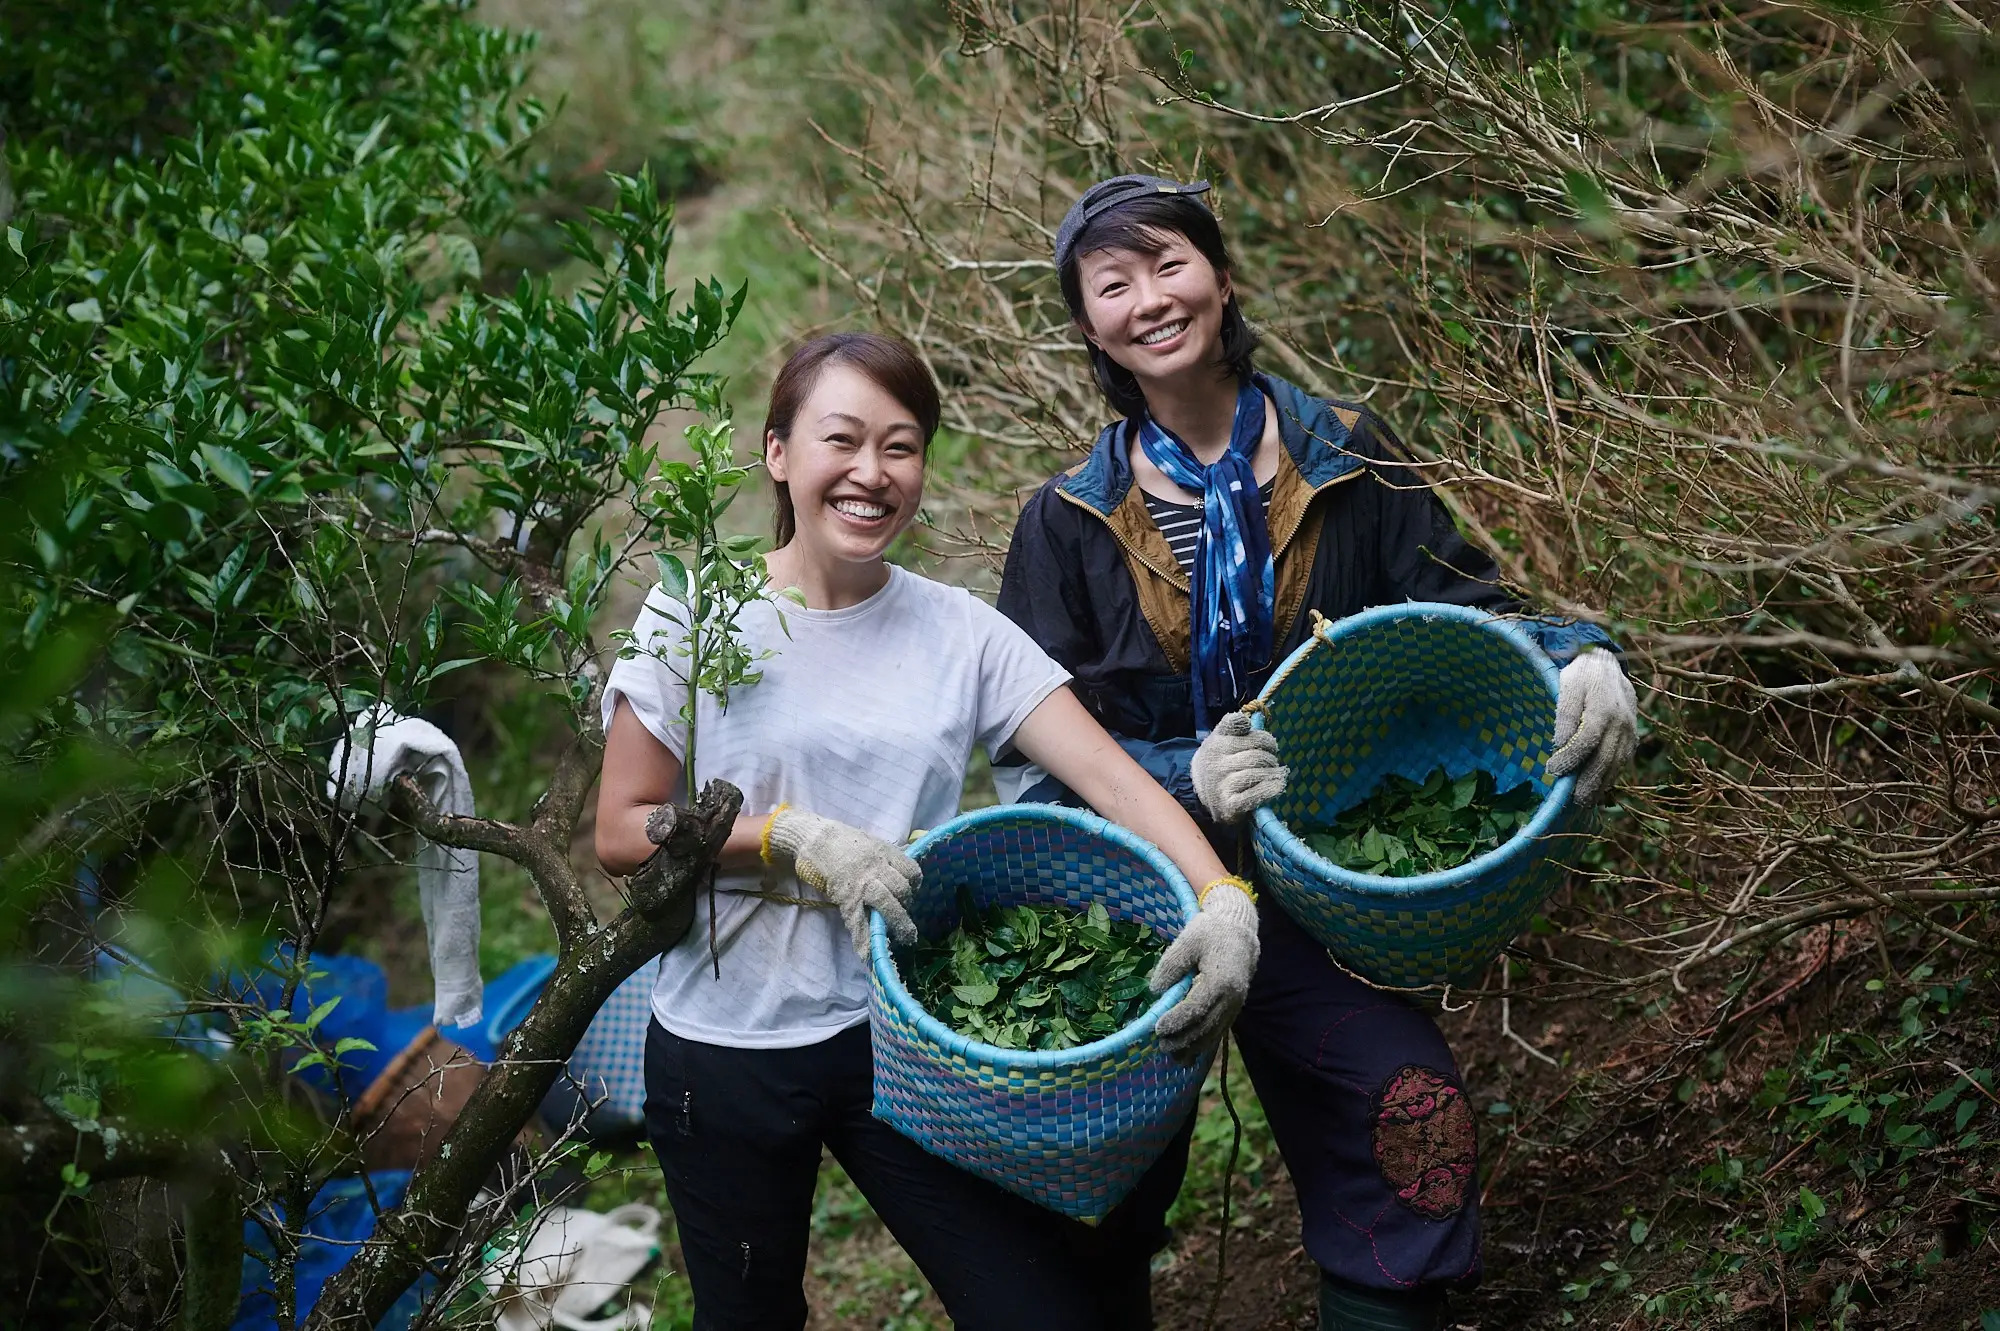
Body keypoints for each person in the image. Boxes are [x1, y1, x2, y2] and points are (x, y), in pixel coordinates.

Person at [995, 176, 1640, 1331]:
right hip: (1146, 893)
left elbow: (1463, 609)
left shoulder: (1339, 450)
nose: (1149, 298)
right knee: (1101, 1203)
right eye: (1113, 282)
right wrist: (1184, 771)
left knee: (1408, 1101)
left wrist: (1581, 651)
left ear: (1221, 275)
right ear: (1088, 324)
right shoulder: (1064, 521)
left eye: (1169, 264)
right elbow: (1035, 763)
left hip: (1314, 883)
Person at [593, 331, 1260, 1331]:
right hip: (723, 1048)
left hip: (904, 1035)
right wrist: (784, 834)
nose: (871, 473)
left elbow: (1110, 778)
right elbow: (619, 827)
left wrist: (1219, 895)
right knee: (748, 1313)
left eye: (900, 447)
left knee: (1035, 1309)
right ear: (777, 452)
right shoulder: (696, 610)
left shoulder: (957, 631)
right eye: (842, 440)